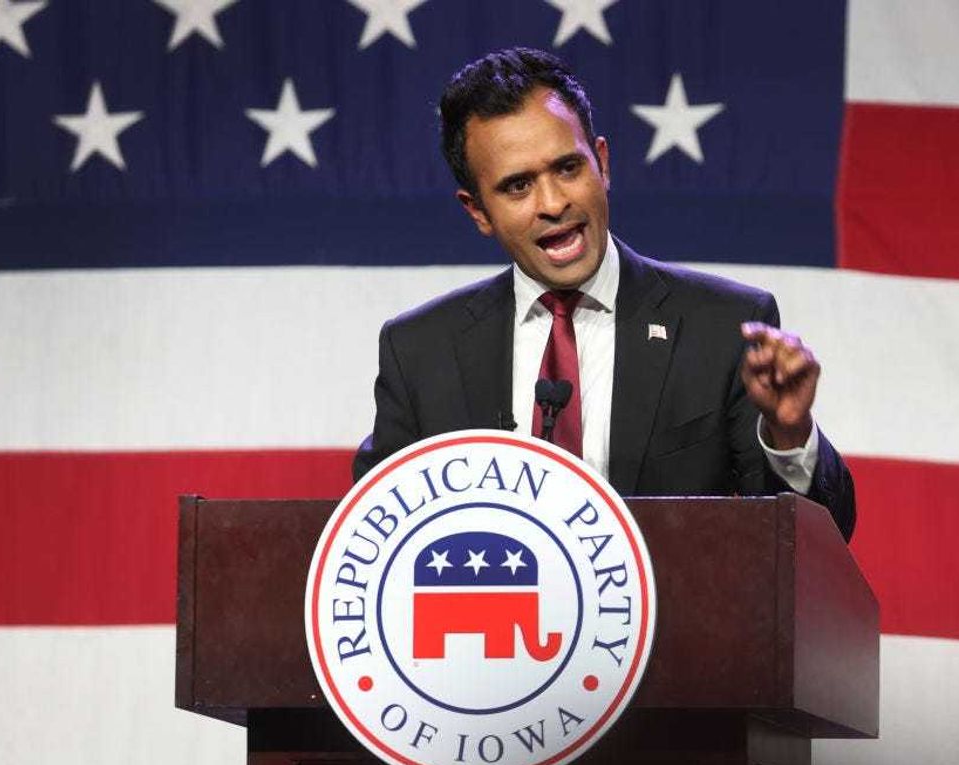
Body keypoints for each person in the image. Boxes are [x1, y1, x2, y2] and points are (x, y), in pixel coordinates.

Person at [352, 47, 855, 540]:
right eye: (517, 186)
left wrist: (790, 435)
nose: (553, 203)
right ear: (478, 211)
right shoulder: (420, 352)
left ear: (603, 163)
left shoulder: (722, 326)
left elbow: (817, 540)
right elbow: (374, 537)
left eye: (568, 168)